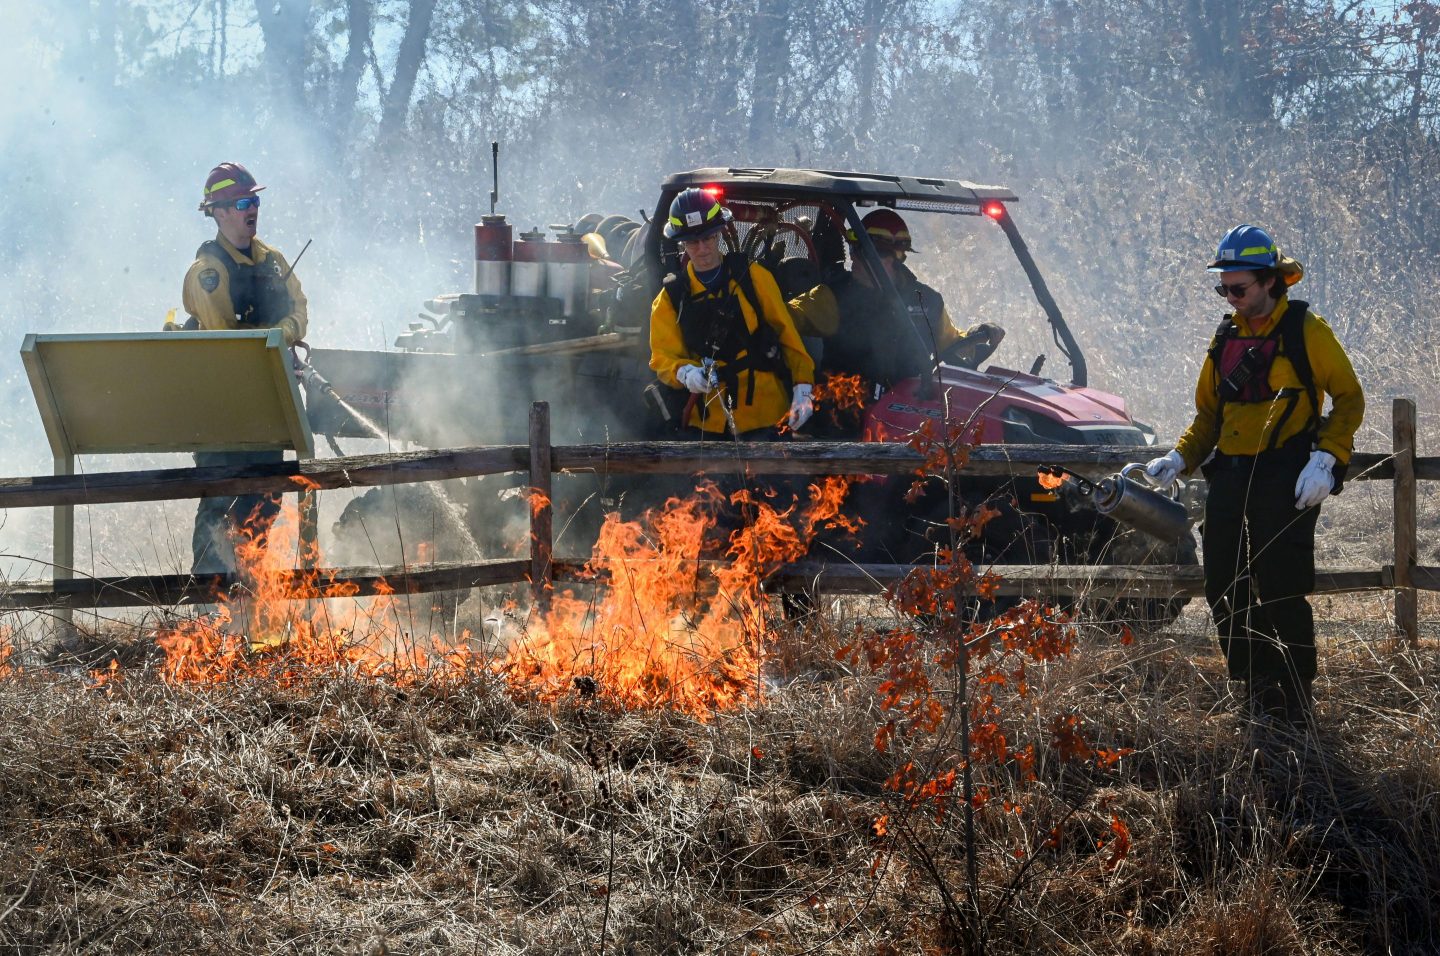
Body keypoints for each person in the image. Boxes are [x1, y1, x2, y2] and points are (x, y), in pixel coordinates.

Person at [1140, 224, 1364, 725]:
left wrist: (1327, 457)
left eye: (1238, 288)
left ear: (1269, 282)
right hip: (1231, 476)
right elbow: (1207, 417)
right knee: (1223, 582)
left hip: (1287, 474)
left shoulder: (1308, 331)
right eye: (1224, 289)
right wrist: (1180, 458)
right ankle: (1255, 688)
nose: (1230, 297)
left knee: (1282, 585)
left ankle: (1296, 696)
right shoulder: (1226, 337)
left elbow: (1349, 398)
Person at [177, 162, 309, 576]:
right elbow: (224, 341)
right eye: (241, 202)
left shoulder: (273, 260)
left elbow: (299, 309)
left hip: (268, 406)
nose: (251, 208)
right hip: (222, 409)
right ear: (218, 213)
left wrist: (284, 332)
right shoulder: (208, 273)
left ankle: (251, 599)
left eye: (254, 200)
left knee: (264, 504)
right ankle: (209, 613)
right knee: (219, 505)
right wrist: (273, 337)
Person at [649, 187, 815, 438]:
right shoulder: (670, 299)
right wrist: (685, 373)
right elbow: (662, 358)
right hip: (707, 423)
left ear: (719, 234)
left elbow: (787, 336)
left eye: (708, 238)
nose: (702, 248)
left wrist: (803, 386)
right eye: (693, 242)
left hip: (765, 415)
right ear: (682, 243)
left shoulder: (754, 278)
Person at [794, 208, 1004, 388]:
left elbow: (951, 343)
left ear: (897, 256)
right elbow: (783, 319)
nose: (854, 259)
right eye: (854, 250)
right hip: (844, 418)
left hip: (908, 416)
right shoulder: (830, 296)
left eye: (870, 253)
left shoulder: (927, 301)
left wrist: (977, 334)